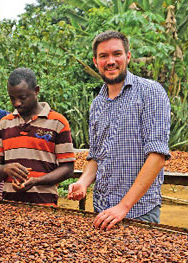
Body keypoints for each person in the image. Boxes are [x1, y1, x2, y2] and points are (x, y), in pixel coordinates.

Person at [67, 30, 171, 230]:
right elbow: (96, 156)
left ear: (128, 56)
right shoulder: (97, 104)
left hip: (139, 212)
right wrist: (83, 182)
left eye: (117, 54)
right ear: (95, 62)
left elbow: (157, 156)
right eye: (103, 56)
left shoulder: (150, 92)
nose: (110, 61)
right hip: (102, 211)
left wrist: (123, 206)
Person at [0, 67, 75, 205]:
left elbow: (68, 169)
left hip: (45, 205)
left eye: (22, 98)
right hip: (9, 205)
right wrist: (6, 169)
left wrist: (37, 181)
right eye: (12, 98)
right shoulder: (4, 124)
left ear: (36, 90)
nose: (17, 103)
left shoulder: (58, 122)